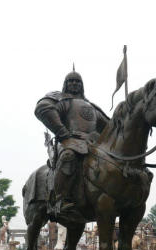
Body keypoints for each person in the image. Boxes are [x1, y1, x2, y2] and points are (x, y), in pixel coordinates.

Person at [34, 68, 110, 213]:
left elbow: (110, 127)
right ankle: (60, 199)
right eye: (71, 81)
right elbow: (44, 108)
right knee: (69, 156)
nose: (74, 84)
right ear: (65, 84)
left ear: (82, 85)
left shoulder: (91, 107)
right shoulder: (61, 99)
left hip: (92, 144)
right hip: (68, 141)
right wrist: (63, 132)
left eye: (77, 81)